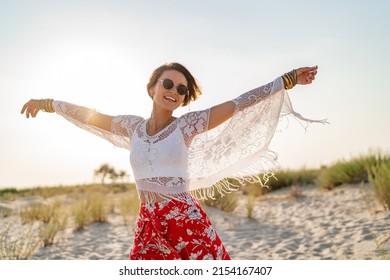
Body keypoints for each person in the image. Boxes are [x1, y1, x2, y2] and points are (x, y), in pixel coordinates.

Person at [21, 62, 323, 260]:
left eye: (182, 90)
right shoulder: (131, 126)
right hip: (148, 221)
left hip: (185, 220)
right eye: (168, 84)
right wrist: (49, 104)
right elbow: (89, 115)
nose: (174, 92)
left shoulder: (186, 126)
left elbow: (239, 104)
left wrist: (286, 81)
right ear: (152, 88)